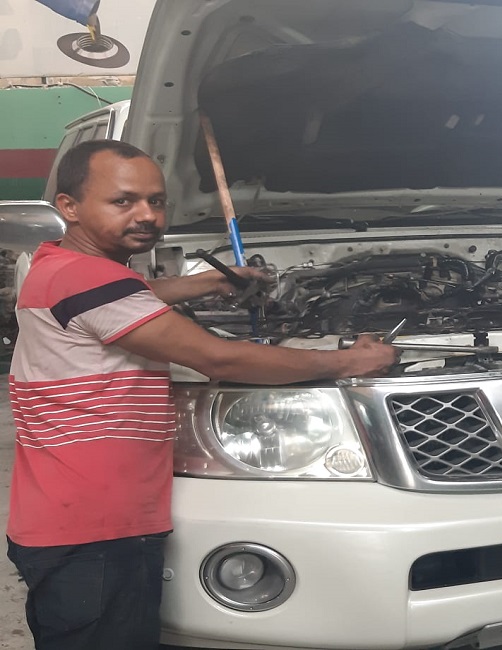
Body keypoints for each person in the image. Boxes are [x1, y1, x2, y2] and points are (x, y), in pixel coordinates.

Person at [5, 139, 399, 649]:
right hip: (97, 528)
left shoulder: (57, 267)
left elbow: (122, 296)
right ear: (69, 206)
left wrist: (206, 283)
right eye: (123, 201)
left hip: (63, 513)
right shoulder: (90, 279)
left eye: (156, 201)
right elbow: (220, 359)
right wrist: (348, 361)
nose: (147, 215)